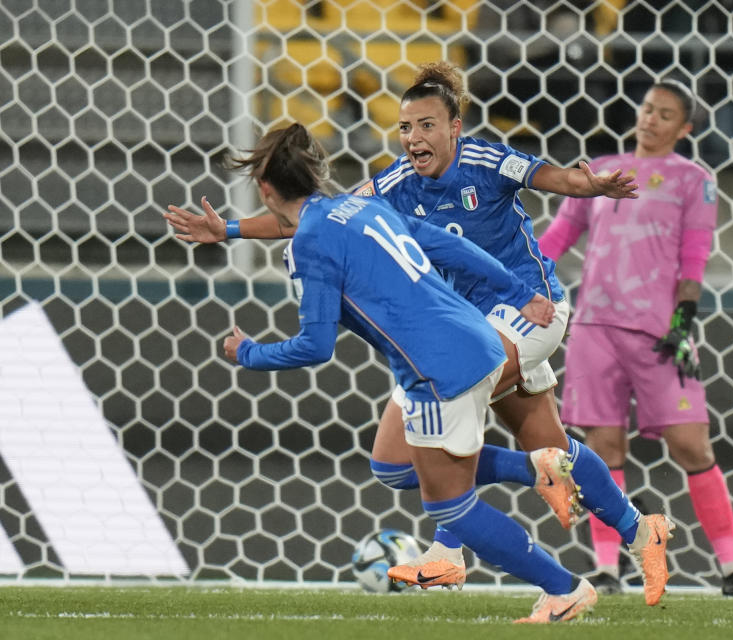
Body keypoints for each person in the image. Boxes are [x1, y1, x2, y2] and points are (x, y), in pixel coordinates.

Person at [165, 62, 676, 607]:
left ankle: (451, 549)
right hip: (459, 319)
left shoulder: (484, 160)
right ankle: (643, 532)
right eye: (406, 127)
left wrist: (590, 184)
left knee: (457, 402)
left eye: (427, 125)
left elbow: (552, 176)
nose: (414, 138)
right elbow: (314, 216)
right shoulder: (394, 184)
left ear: (455, 127)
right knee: (431, 458)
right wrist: (231, 230)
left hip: (529, 308)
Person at [218, 122, 595, 623]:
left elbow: (315, 345)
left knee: (451, 507)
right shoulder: (359, 208)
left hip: (441, 364)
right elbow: (451, 247)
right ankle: (534, 467)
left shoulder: (312, 241)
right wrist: (519, 289)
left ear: (265, 190)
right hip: (459, 345)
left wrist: (247, 353)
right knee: (393, 467)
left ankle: (563, 589)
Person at [538, 79, 733, 597]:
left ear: (684, 128)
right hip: (595, 326)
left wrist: (685, 319)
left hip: (661, 329)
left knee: (690, 442)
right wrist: (517, 275)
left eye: (665, 114)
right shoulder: (598, 171)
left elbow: (695, 255)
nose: (651, 119)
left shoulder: (694, 180)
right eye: (647, 108)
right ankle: (608, 567)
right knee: (602, 448)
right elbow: (556, 239)